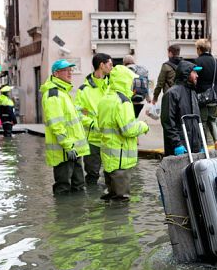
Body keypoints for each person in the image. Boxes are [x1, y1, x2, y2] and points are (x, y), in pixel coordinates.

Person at [97, 65, 150, 201]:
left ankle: (109, 221)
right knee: (121, 201)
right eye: (132, 81)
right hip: (121, 160)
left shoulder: (105, 99)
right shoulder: (123, 101)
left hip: (109, 159)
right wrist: (143, 126)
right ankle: (119, 222)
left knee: (111, 197)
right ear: (125, 81)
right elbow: (128, 129)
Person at [40, 59, 90, 195]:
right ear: (56, 73)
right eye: (66, 70)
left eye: (70, 70)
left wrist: (90, 121)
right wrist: (68, 146)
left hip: (74, 150)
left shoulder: (63, 93)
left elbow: (72, 119)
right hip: (65, 152)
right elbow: (57, 125)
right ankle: (63, 215)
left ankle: (77, 214)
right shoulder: (53, 94)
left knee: (79, 186)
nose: (70, 73)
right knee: (63, 188)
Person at [76, 53, 113, 185]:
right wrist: (92, 124)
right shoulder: (83, 90)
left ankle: (110, 204)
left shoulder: (112, 86)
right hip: (93, 140)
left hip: (111, 139)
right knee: (92, 175)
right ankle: (92, 203)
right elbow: (78, 113)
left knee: (112, 174)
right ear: (101, 65)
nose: (112, 68)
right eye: (110, 64)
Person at [161, 60, 203, 156]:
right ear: (186, 73)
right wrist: (177, 144)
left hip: (194, 146)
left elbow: (198, 121)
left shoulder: (193, 93)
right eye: (194, 72)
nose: (197, 75)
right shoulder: (171, 93)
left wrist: (201, 144)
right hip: (180, 146)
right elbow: (167, 121)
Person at [194, 38, 217, 151]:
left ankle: (203, 144)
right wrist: (214, 88)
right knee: (212, 119)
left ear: (199, 49)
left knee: (202, 121)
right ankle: (216, 141)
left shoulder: (197, 62)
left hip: (201, 97)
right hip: (214, 96)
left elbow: (193, 79)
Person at [123, 54, 149, 118]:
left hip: (129, 100)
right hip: (141, 100)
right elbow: (146, 84)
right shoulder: (142, 70)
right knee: (135, 118)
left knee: (129, 119)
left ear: (124, 62)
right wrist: (148, 98)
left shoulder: (125, 70)